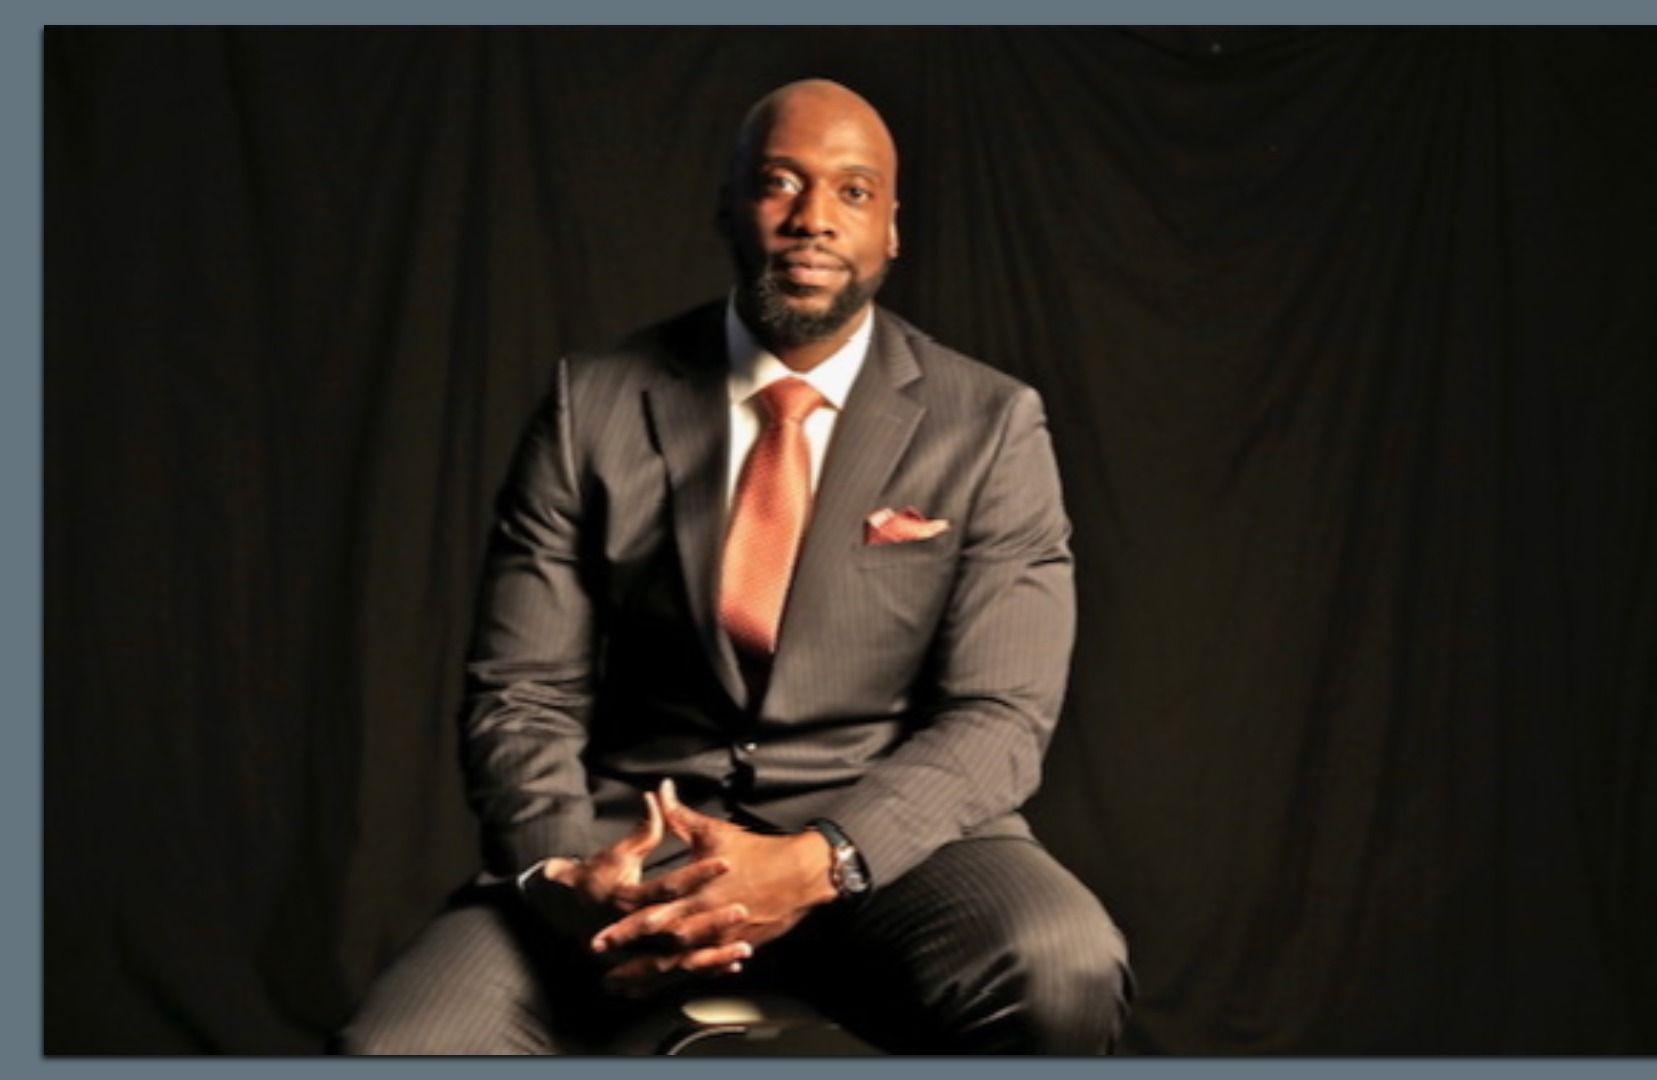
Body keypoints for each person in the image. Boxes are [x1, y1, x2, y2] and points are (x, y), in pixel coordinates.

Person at [338, 77, 1131, 1055]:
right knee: (398, 1053)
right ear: (728, 207)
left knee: (1061, 963)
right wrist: (565, 874)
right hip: (630, 854)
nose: (812, 219)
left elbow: (1000, 717)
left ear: (892, 229)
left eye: (852, 191)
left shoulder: (990, 424)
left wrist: (820, 860)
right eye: (780, 184)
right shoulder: (593, 405)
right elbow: (521, 692)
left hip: (890, 859)